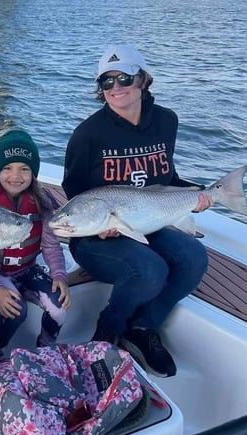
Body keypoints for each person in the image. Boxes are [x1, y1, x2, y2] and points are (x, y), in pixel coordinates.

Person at [62, 44, 213, 378]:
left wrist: (195, 196)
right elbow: (73, 192)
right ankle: (107, 332)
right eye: (106, 82)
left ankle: (142, 328)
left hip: (149, 218)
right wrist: (100, 225)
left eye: (124, 78)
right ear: (100, 89)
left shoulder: (166, 121)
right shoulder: (87, 135)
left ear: (143, 79)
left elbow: (166, 178)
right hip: (96, 233)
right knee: (150, 269)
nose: (116, 87)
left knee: (194, 257)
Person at [0, 130, 71, 359]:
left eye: (24, 168)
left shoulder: (42, 201)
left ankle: (46, 351)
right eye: (7, 167)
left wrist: (59, 275)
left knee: (58, 308)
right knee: (17, 310)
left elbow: (50, 245)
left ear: (33, 172)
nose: (15, 176)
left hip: (28, 270)